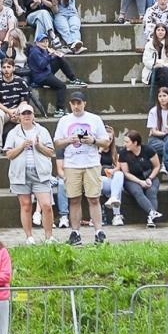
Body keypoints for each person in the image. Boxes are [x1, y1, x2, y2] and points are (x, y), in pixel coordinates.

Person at [54, 91, 111, 245]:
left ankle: (99, 231)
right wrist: (68, 140)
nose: (76, 106)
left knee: (94, 198)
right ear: (70, 104)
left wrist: (93, 140)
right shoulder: (64, 120)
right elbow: (57, 142)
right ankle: (75, 232)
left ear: (84, 103)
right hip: (72, 164)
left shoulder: (94, 119)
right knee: (74, 199)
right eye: (73, 103)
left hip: (91, 163)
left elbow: (106, 142)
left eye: (79, 103)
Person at [4, 106, 55, 244]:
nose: (26, 116)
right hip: (20, 173)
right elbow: (8, 154)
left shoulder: (42, 131)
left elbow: (51, 152)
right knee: (26, 205)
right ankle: (29, 237)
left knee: (46, 205)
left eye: (29, 113)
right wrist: (21, 146)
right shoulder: (13, 133)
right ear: (19, 116)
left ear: (33, 115)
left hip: (40, 173)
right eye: (24, 113)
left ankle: (49, 237)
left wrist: (39, 146)